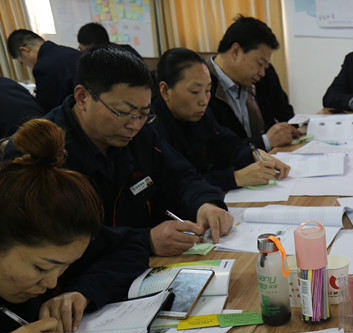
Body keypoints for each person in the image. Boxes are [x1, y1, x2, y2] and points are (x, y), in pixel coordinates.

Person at [3, 45, 234, 257]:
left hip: (140, 266)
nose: (134, 124)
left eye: (143, 113)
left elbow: (180, 176)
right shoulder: (41, 149)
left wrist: (205, 204)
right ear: (82, 97)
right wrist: (145, 240)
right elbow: (57, 237)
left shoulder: (140, 134)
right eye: (123, 112)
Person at [0, 119, 149, 333]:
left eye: (66, 267)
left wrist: (82, 291)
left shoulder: (58, 236)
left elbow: (131, 246)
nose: (51, 283)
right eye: (41, 268)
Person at [153, 47, 289, 191]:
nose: (203, 101)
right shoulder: (153, 129)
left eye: (207, 90)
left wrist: (254, 155)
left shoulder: (202, 116)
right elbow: (179, 181)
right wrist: (236, 178)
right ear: (165, 90)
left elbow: (229, 146)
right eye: (194, 92)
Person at [207, 15, 299, 151]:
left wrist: (291, 128)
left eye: (265, 66)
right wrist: (265, 141)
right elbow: (217, 149)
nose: (262, 72)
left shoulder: (264, 75)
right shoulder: (203, 86)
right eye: (260, 63)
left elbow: (285, 114)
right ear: (236, 51)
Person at [6, 29, 82, 113]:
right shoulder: (70, 51)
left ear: (25, 50)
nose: (27, 66)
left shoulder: (42, 67)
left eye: (22, 62)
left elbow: (46, 107)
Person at [76, 22, 141, 58]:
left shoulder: (125, 57)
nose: (83, 55)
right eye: (80, 50)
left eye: (87, 51)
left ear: (102, 47)